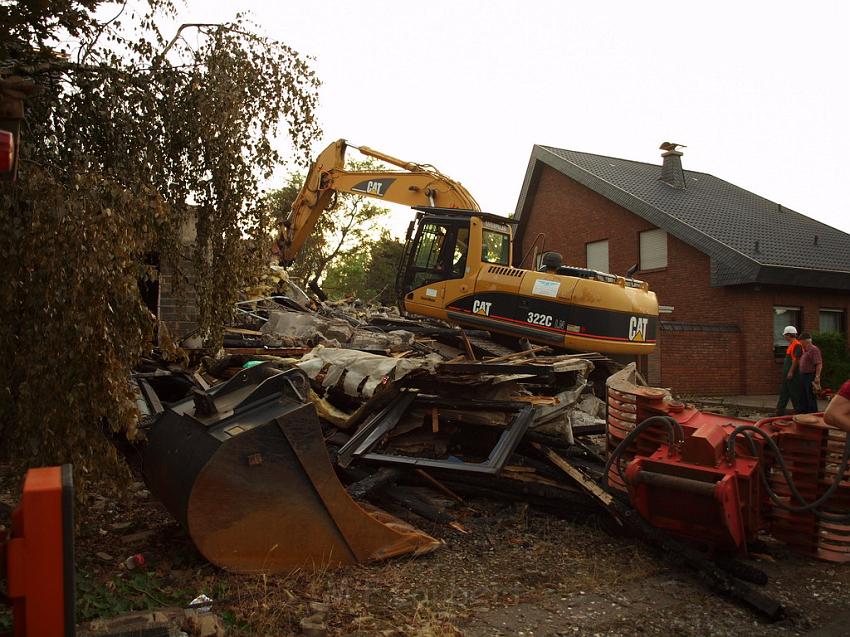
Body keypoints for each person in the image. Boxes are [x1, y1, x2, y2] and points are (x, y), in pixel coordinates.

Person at [776, 325, 804, 415]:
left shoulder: (797, 345)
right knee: (783, 394)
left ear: (789, 335)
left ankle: (799, 413)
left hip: (793, 375)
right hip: (787, 375)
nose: (784, 337)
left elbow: (796, 359)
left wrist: (791, 372)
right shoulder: (791, 345)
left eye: (785, 335)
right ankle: (779, 413)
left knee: (794, 394)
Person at [798, 332, 823, 413]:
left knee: (810, 396)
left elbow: (818, 363)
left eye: (801, 341)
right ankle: (804, 413)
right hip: (803, 375)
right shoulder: (805, 350)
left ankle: (813, 413)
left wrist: (817, 376)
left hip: (810, 375)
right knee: (803, 396)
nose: (800, 343)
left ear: (805, 341)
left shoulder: (814, 349)